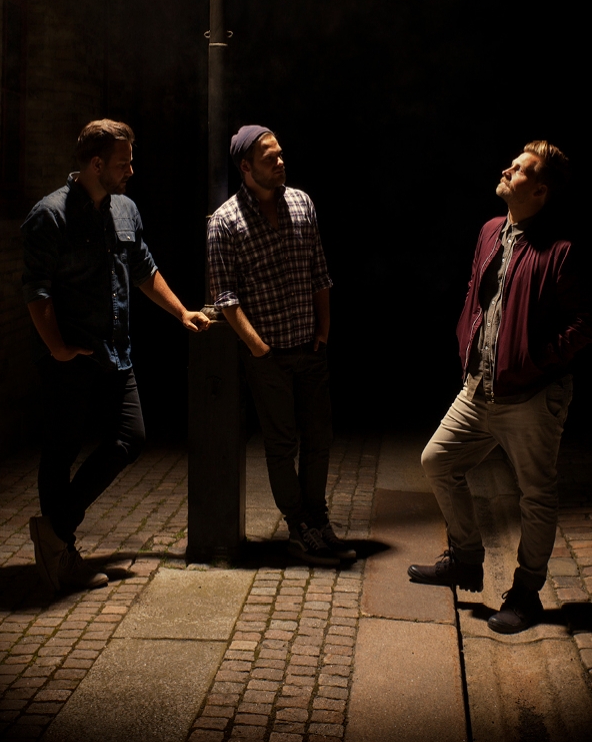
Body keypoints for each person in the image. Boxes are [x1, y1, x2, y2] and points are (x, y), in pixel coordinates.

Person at [407, 140, 592, 633]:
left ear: (540, 191)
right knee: (437, 461)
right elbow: (478, 294)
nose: (507, 169)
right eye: (512, 163)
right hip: (480, 387)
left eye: (520, 169)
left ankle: (526, 593)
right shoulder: (491, 230)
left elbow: (587, 321)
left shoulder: (561, 251)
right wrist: (467, 340)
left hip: (532, 395)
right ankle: (465, 558)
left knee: (535, 494)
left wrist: (535, 360)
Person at [21, 119, 211, 591]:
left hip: (115, 353)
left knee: (130, 437)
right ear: (96, 164)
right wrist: (57, 348)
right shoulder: (50, 215)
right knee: (61, 452)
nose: (131, 171)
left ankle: (53, 533)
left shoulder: (125, 209)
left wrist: (181, 312)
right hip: (71, 357)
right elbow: (37, 292)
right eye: (123, 163)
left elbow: (145, 270)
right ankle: (60, 557)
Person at [205, 125, 351, 566]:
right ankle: (298, 527)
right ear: (246, 167)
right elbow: (225, 297)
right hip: (268, 356)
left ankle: (318, 518)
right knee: (282, 444)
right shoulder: (225, 221)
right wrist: (259, 349)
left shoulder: (302, 203)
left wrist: (324, 329)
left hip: (309, 347)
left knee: (319, 437)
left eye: (281, 154)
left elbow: (319, 271)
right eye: (270, 158)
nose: (281, 162)